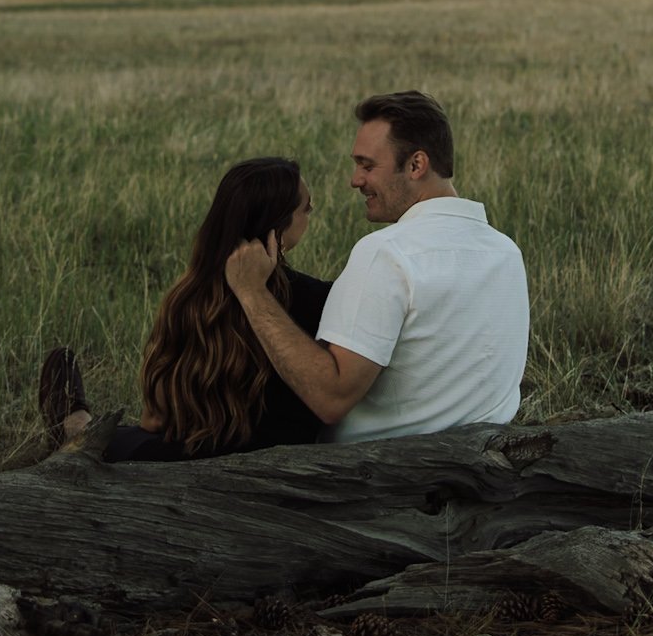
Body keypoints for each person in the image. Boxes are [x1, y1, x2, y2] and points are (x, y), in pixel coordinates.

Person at [225, 90, 528, 444]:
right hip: (483, 467)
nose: (355, 180)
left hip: (375, 478)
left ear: (416, 165)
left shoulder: (388, 253)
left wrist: (252, 293)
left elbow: (330, 399)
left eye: (368, 165)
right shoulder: (506, 253)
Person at [39, 157, 326, 460]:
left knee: (116, 441)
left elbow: (154, 420)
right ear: (278, 225)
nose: (311, 213)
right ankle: (79, 429)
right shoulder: (319, 300)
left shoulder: (191, 298)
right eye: (307, 207)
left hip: (188, 465)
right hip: (283, 470)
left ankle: (75, 426)